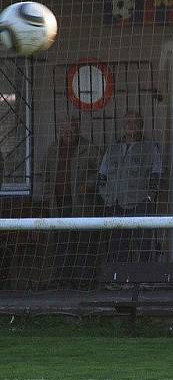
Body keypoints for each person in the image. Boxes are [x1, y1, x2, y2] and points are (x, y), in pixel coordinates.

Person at [42, 115, 102, 287]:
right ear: (59, 131)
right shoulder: (53, 150)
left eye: (72, 129)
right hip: (58, 204)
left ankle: (84, 281)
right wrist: (47, 198)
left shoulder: (89, 148)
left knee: (84, 241)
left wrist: (88, 185)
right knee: (62, 242)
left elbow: (102, 172)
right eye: (64, 129)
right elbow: (44, 176)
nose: (68, 132)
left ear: (78, 129)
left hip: (82, 203)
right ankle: (62, 281)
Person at [98, 110, 163, 262]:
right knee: (117, 244)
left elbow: (156, 174)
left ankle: (144, 280)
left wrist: (148, 197)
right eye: (128, 122)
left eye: (135, 122)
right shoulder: (112, 148)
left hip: (139, 203)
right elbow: (102, 175)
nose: (131, 126)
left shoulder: (150, 148)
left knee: (144, 244)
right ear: (122, 126)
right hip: (114, 203)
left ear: (141, 126)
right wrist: (106, 195)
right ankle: (120, 281)